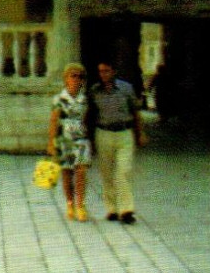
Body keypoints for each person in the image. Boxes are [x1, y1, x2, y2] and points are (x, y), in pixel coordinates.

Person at [87, 60, 146, 224]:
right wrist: (89, 138)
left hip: (124, 133)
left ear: (113, 71)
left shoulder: (126, 89)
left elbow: (135, 112)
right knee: (106, 172)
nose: (103, 75)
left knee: (123, 171)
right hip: (104, 132)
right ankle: (111, 208)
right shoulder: (94, 91)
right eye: (100, 71)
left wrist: (140, 133)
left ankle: (126, 209)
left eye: (106, 71)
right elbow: (90, 115)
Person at [47, 63, 93, 222]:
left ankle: (80, 204)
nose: (76, 79)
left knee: (81, 172)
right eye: (73, 75)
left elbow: (87, 120)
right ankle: (70, 203)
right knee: (66, 173)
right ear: (66, 78)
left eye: (80, 76)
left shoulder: (84, 99)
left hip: (80, 139)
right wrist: (51, 143)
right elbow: (54, 121)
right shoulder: (59, 99)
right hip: (64, 139)